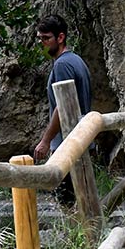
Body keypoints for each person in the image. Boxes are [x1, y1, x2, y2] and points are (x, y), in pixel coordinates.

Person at [33, 14, 92, 206]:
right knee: (80, 198)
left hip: (68, 142)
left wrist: (45, 141)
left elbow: (62, 105)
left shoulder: (63, 64)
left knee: (66, 201)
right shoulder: (76, 60)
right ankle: (86, 233)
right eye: (40, 38)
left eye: (46, 38)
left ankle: (78, 234)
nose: (43, 43)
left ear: (60, 37)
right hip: (78, 139)